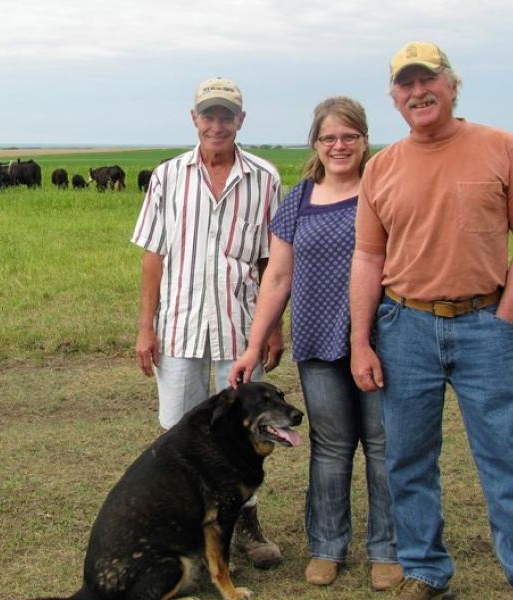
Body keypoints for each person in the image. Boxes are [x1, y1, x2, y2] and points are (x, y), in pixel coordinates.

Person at [350, 41, 513, 600]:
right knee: (409, 461)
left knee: (511, 465)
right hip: (404, 327)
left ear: (451, 84)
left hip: (483, 324)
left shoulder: (501, 147)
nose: (418, 92)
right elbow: (369, 257)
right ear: (394, 97)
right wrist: (360, 341)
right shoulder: (383, 167)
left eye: (428, 80)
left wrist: (506, 316)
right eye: (406, 84)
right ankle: (426, 570)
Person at [227, 96, 402, 591]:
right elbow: (278, 277)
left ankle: (387, 550)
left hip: (382, 337)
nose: (339, 145)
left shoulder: (383, 189)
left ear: (365, 140)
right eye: (329, 138)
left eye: (349, 136)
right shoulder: (298, 200)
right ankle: (327, 547)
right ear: (316, 144)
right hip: (318, 340)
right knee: (330, 446)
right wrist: (253, 345)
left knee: (384, 446)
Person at [131, 77, 285, 569]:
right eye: (208, 115)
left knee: (246, 432)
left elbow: (270, 263)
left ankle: (246, 530)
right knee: (179, 432)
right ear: (193, 118)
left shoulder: (264, 177)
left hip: (242, 330)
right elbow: (153, 256)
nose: (217, 124)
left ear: (241, 120)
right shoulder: (168, 176)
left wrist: (274, 328)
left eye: (226, 116)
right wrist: (145, 326)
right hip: (178, 327)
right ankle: (188, 533)